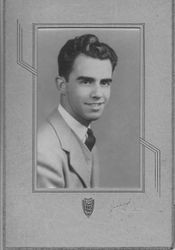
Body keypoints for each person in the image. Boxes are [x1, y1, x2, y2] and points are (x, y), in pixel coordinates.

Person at [37, 34, 118, 189]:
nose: (98, 94)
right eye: (86, 82)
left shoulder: (86, 136)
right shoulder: (44, 154)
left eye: (105, 83)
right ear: (62, 85)